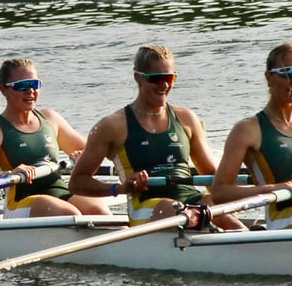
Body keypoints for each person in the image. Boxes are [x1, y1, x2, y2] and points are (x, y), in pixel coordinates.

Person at [68, 44, 245, 230]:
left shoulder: (187, 118)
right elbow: (77, 182)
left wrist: (230, 198)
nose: (164, 85)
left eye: (169, 78)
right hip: (145, 204)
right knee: (183, 212)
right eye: (156, 79)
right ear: (138, 78)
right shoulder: (113, 125)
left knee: (226, 216)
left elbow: (210, 174)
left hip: (191, 200)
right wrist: (119, 189)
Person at [0, 58, 111, 218]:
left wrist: (83, 162)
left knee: (99, 210)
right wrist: (7, 175)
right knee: (69, 213)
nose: (30, 91)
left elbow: (92, 153)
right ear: (4, 90)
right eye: (22, 86)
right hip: (20, 200)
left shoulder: (51, 118)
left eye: (35, 84)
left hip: (59, 191)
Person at [212, 43, 292, 229]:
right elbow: (219, 193)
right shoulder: (247, 130)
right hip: (282, 218)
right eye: (288, 73)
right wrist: (271, 189)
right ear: (269, 77)